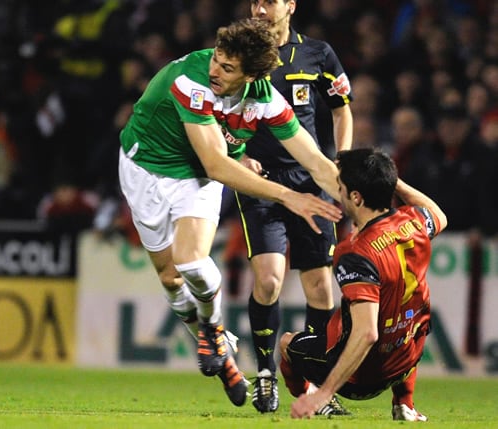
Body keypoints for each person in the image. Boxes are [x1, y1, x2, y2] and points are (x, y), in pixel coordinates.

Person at [118, 18, 343, 407]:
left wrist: (365, 199)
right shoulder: (193, 79)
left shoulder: (267, 99)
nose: (214, 70)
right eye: (217, 59)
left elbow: (314, 159)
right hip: (146, 169)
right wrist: (289, 196)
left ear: (253, 75)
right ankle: (221, 349)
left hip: (196, 176)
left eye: (227, 67)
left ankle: (211, 329)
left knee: (190, 261)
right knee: (170, 279)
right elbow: (218, 165)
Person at [238, 0, 353, 414]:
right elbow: (217, 110)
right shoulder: (243, 52)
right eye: (255, 2)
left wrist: (344, 157)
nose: (260, 8)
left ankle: (314, 386)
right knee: (269, 280)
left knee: (321, 288)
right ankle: (266, 373)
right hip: (260, 183)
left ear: (290, 6)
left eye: (269, 1)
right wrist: (236, 155)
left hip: (313, 182)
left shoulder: (317, 54)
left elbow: (342, 110)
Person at [279, 148, 448, 421]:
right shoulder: (413, 222)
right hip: (407, 361)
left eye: (341, 188)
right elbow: (439, 215)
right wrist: (394, 181)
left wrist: (325, 391)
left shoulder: (356, 251)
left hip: (359, 381)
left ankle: (316, 400)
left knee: (287, 344)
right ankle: (404, 403)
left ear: (356, 197)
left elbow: (367, 333)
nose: (339, 194)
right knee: (408, 316)